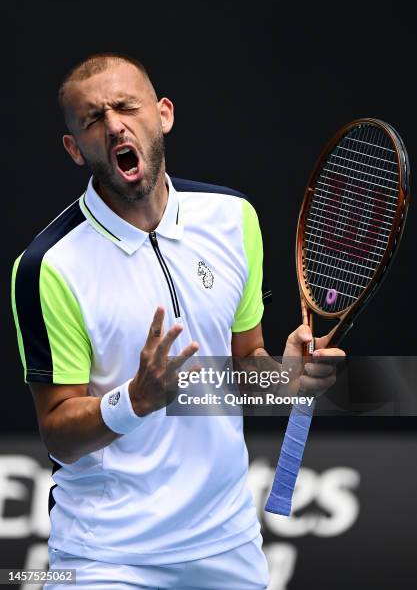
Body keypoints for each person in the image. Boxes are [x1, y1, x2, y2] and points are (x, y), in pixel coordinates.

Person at [11, 52, 345, 589]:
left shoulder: (233, 219)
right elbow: (58, 435)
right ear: (75, 149)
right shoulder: (49, 267)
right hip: (106, 556)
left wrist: (281, 378)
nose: (115, 124)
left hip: (227, 544)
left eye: (126, 106)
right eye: (93, 119)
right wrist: (135, 400)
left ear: (162, 114)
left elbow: (241, 370)